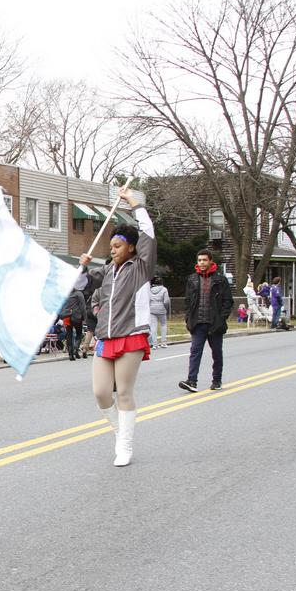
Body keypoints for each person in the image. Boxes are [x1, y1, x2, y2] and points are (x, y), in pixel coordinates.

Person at [80, 186, 155, 467]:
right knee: (100, 392)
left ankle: (125, 445)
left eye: (118, 246)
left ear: (131, 247)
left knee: (123, 393)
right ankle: (118, 430)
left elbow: (147, 230)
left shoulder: (141, 268)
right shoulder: (107, 271)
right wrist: (83, 267)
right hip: (105, 337)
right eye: (110, 247)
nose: (113, 251)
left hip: (131, 336)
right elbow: (81, 284)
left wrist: (132, 202)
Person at [178, 248, 234, 392]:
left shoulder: (220, 279)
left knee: (217, 353)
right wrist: (188, 318)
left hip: (215, 323)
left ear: (210, 261)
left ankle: (217, 380)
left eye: (204, 260)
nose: (202, 263)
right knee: (195, 352)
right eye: (199, 260)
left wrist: (222, 318)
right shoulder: (192, 279)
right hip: (197, 323)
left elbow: (228, 301)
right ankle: (192, 381)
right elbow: (188, 301)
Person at [59, 277, 87, 360]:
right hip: (76, 317)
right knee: (79, 333)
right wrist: (85, 318)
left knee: (69, 335)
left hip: (66, 317)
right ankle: (75, 348)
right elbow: (83, 307)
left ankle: (70, 354)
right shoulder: (78, 294)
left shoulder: (65, 294)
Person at [148, 275, 171, 349]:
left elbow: (148, 300)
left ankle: (155, 344)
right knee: (163, 325)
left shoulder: (149, 290)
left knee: (153, 326)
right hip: (162, 309)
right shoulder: (164, 289)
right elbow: (166, 301)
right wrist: (166, 309)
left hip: (152, 309)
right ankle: (163, 343)